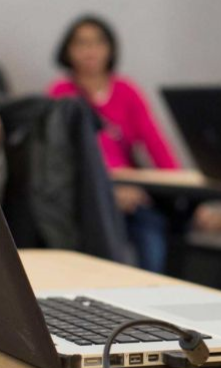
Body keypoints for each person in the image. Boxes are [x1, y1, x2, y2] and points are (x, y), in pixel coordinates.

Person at [48, 15, 181, 272]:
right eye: (81, 43)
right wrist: (108, 190)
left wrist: (182, 190)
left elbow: (157, 146)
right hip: (87, 191)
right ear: (68, 50)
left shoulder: (126, 91)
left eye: (98, 42)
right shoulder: (61, 94)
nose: (90, 50)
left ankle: (152, 293)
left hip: (133, 193)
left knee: (151, 225)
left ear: (110, 48)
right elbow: (63, 157)